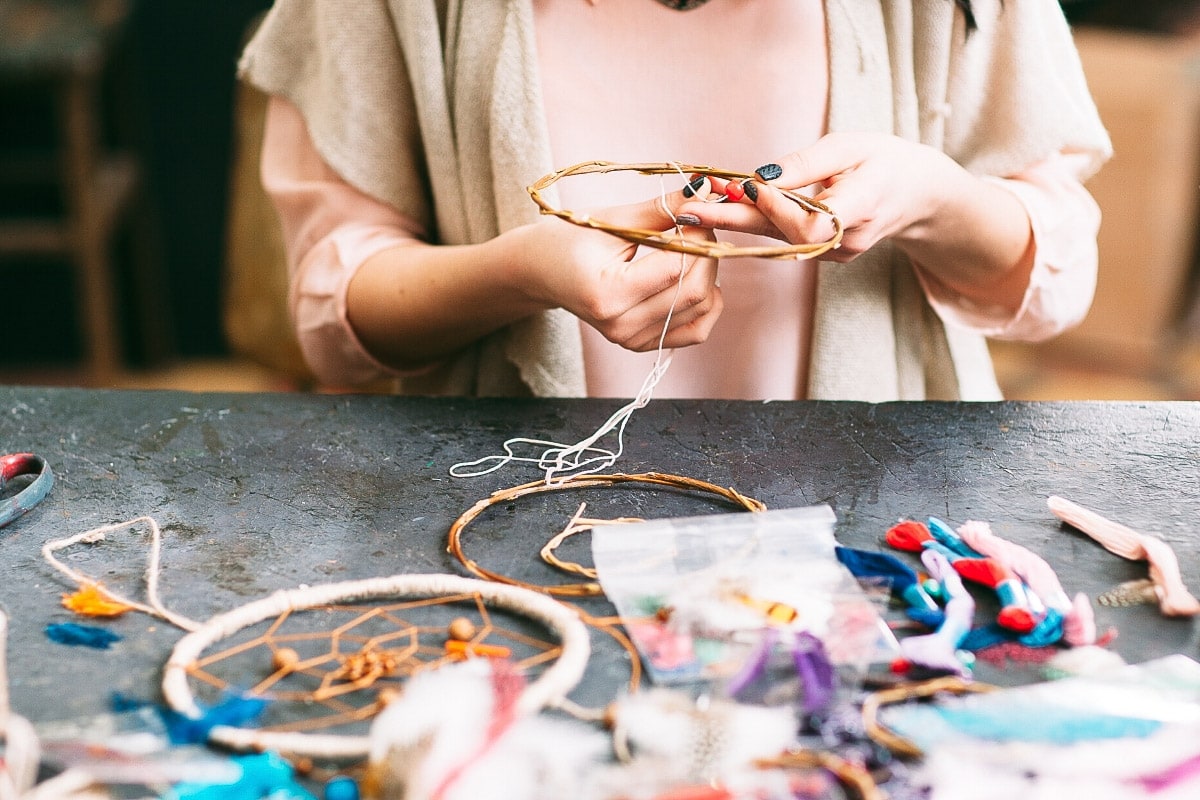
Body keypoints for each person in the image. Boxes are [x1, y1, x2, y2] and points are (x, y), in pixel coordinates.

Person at [239, 0, 1111, 401]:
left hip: (864, 523)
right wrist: (520, 272)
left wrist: (936, 203)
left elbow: (1054, 280)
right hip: (504, 521)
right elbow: (335, 326)